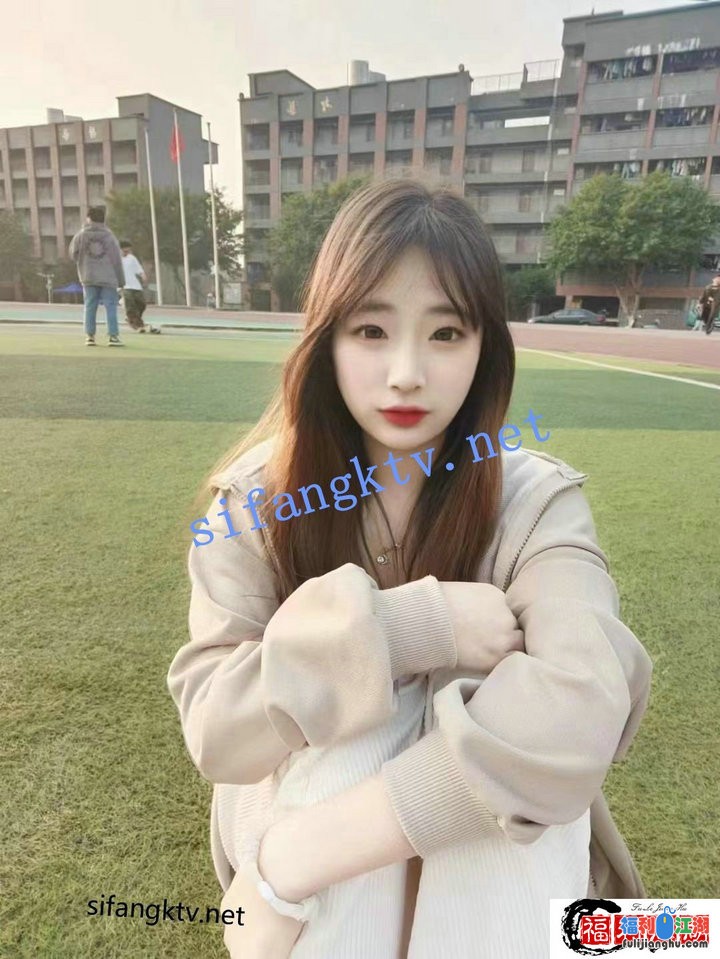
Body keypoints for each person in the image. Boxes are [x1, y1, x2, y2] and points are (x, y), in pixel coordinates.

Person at [167, 179, 653, 959]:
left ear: (485, 348)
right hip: (301, 808)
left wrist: (302, 856)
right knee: (354, 735)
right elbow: (218, 730)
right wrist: (406, 629)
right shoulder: (254, 503)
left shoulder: (535, 500)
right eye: (370, 330)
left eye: (446, 333)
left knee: (503, 774)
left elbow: (583, 700)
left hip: (432, 862)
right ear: (326, 340)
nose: (405, 373)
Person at [69, 206, 125, 347]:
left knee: (90, 306)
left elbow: (73, 254)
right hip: (108, 277)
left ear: (88, 218)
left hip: (88, 276)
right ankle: (113, 337)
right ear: (103, 220)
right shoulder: (110, 237)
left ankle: (90, 337)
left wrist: (83, 262)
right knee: (110, 306)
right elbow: (117, 260)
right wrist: (121, 280)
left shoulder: (81, 236)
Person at [119, 241, 160, 334]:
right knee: (130, 305)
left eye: (128, 251)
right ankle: (138, 325)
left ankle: (131, 318)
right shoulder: (114, 259)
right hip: (123, 286)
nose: (127, 253)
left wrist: (142, 275)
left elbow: (138, 268)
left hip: (135, 285)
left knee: (142, 304)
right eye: (125, 251)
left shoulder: (132, 258)